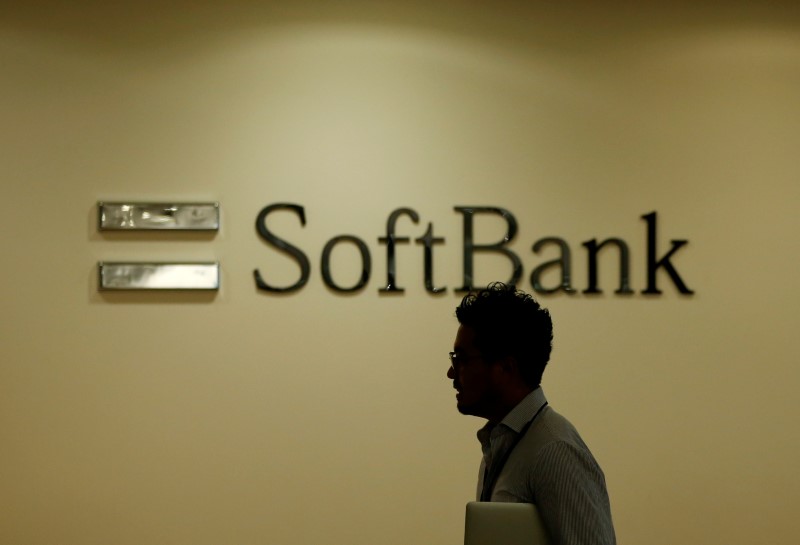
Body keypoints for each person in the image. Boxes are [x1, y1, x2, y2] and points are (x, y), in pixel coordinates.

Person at [448, 282, 616, 545]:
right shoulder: (500, 443)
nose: (451, 373)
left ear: (505, 367)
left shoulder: (556, 450)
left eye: (462, 359)